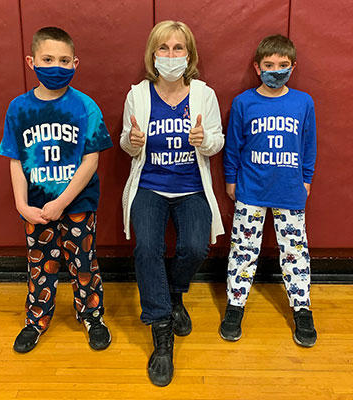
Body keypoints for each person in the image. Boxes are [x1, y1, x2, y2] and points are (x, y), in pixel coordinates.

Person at [120, 20, 224, 386]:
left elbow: (217, 142)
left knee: (196, 247)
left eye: (178, 48)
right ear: (152, 55)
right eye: (163, 49)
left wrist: (203, 139)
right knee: (147, 247)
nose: (170, 55)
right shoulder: (138, 94)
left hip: (191, 187)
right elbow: (126, 144)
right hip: (149, 185)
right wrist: (133, 140)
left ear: (189, 55)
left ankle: (174, 292)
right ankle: (162, 330)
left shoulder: (203, 94)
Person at [0, 27, 113, 353]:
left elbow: (91, 161)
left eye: (64, 60)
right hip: (36, 205)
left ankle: (92, 316)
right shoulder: (18, 109)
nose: (56, 66)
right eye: (48, 59)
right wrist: (21, 204)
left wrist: (62, 202)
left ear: (75, 63)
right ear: (31, 60)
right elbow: (15, 160)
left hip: (78, 202)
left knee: (83, 263)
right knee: (39, 265)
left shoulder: (85, 107)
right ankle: (36, 321)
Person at [221, 34, 317, 347]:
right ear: (257, 67)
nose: (276, 69)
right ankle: (235, 306)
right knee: (243, 252)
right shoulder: (243, 102)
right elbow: (233, 145)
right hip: (251, 190)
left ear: (293, 67)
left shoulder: (303, 102)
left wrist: (306, 178)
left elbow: (308, 143)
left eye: (283, 65)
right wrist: (230, 179)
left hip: (290, 191)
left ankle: (302, 309)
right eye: (269, 65)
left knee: (295, 253)